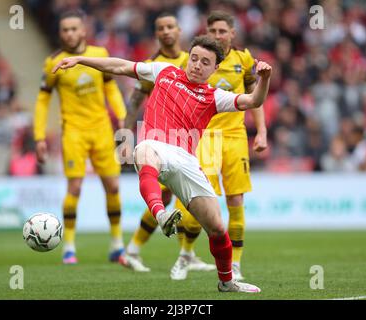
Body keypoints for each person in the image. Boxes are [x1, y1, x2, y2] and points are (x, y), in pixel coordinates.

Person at [52, 35, 272, 292]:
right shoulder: (164, 72)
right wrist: (80, 59)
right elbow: (120, 66)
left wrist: (264, 78)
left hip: (187, 161)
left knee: (217, 227)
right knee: (143, 150)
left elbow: (253, 101)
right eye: (194, 58)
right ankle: (161, 214)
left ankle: (226, 281)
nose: (197, 65)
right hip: (155, 146)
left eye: (205, 62)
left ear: (214, 69)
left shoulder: (216, 96)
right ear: (188, 58)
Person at [169, 11, 268, 281]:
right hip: (204, 139)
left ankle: (235, 265)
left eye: (222, 31)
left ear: (232, 33)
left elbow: (253, 98)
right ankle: (185, 254)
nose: (217, 36)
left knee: (236, 200)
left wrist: (261, 131)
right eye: (212, 31)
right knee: (198, 204)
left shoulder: (243, 59)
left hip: (235, 137)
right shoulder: (197, 62)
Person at [33, 9, 128, 265]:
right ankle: (69, 247)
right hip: (73, 132)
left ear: (83, 30)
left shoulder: (100, 55)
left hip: (101, 131)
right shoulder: (53, 62)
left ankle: (117, 244)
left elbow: (111, 87)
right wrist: (39, 136)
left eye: (74, 28)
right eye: (65, 30)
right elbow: (43, 100)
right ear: (60, 33)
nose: (70, 33)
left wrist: (121, 115)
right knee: (75, 187)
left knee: (114, 186)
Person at [122, 12, 214, 273]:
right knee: (177, 195)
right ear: (156, 33)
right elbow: (136, 100)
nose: (166, 31)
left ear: (179, 30)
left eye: (170, 26)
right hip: (161, 139)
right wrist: (124, 133)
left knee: (174, 196)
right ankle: (142, 249)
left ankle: (154, 250)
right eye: (160, 28)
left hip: (189, 138)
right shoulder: (156, 64)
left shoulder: (192, 59)